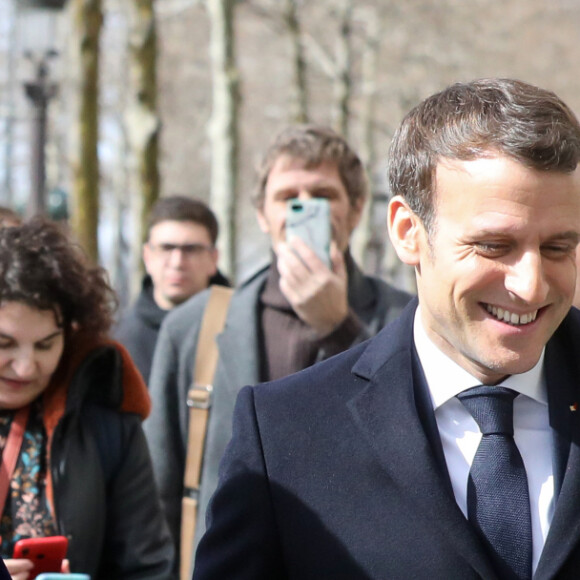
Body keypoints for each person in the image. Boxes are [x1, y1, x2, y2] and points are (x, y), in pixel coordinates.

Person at [193, 78, 580, 580]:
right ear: (407, 232)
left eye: (558, 248)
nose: (530, 287)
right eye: (493, 246)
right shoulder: (286, 436)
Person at [145, 124, 412, 574]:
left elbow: (419, 443)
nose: (303, 208)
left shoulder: (406, 318)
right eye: (288, 196)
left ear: (356, 208)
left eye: (323, 195)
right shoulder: (194, 325)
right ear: (262, 214)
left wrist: (339, 327)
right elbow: (158, 487)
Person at [0, 218, 174, 579]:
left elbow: (147, 568)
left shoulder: (106, 420)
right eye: (4, 344)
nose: (25, 367)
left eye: (46, 344)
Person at [115, 195, 229, 383]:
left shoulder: (242, 328)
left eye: (191, 249)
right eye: (166, 248)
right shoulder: (119, 342)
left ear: (213, 259)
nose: (177, 263)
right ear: (147, 256)